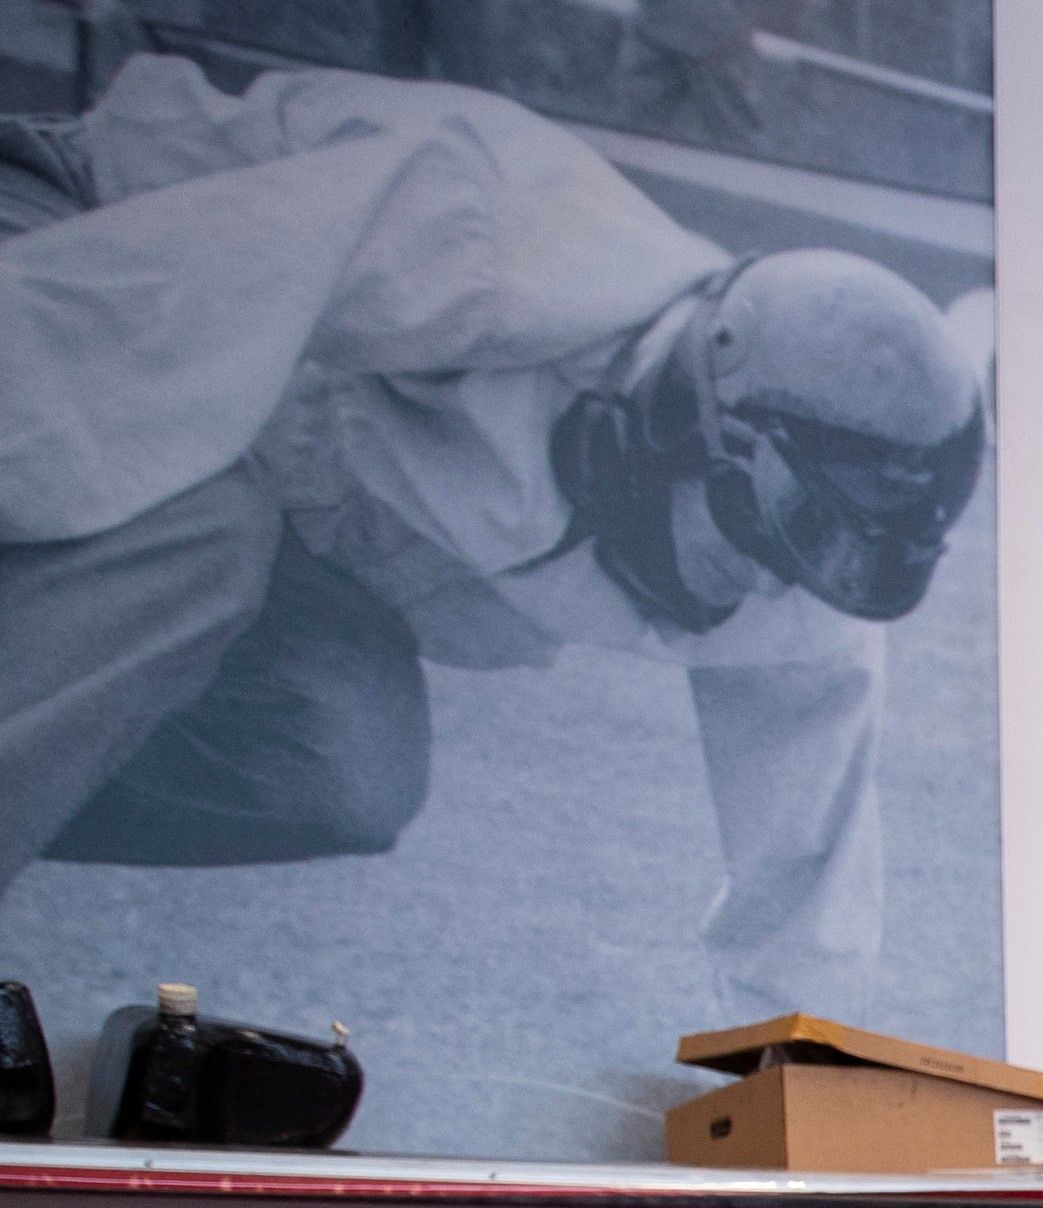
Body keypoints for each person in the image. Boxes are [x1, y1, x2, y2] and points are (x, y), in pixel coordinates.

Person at [0, 50, 983, 1010]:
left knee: (348, 764)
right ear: (679, 424)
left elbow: (806, 881)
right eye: (761, 541)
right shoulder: (485, 237)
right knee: (196, 550)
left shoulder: (800, 571)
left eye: (811, 568)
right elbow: (94, 341)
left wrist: (794, 1094)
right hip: (100, 252)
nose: (766, 595)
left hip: (276, 481)